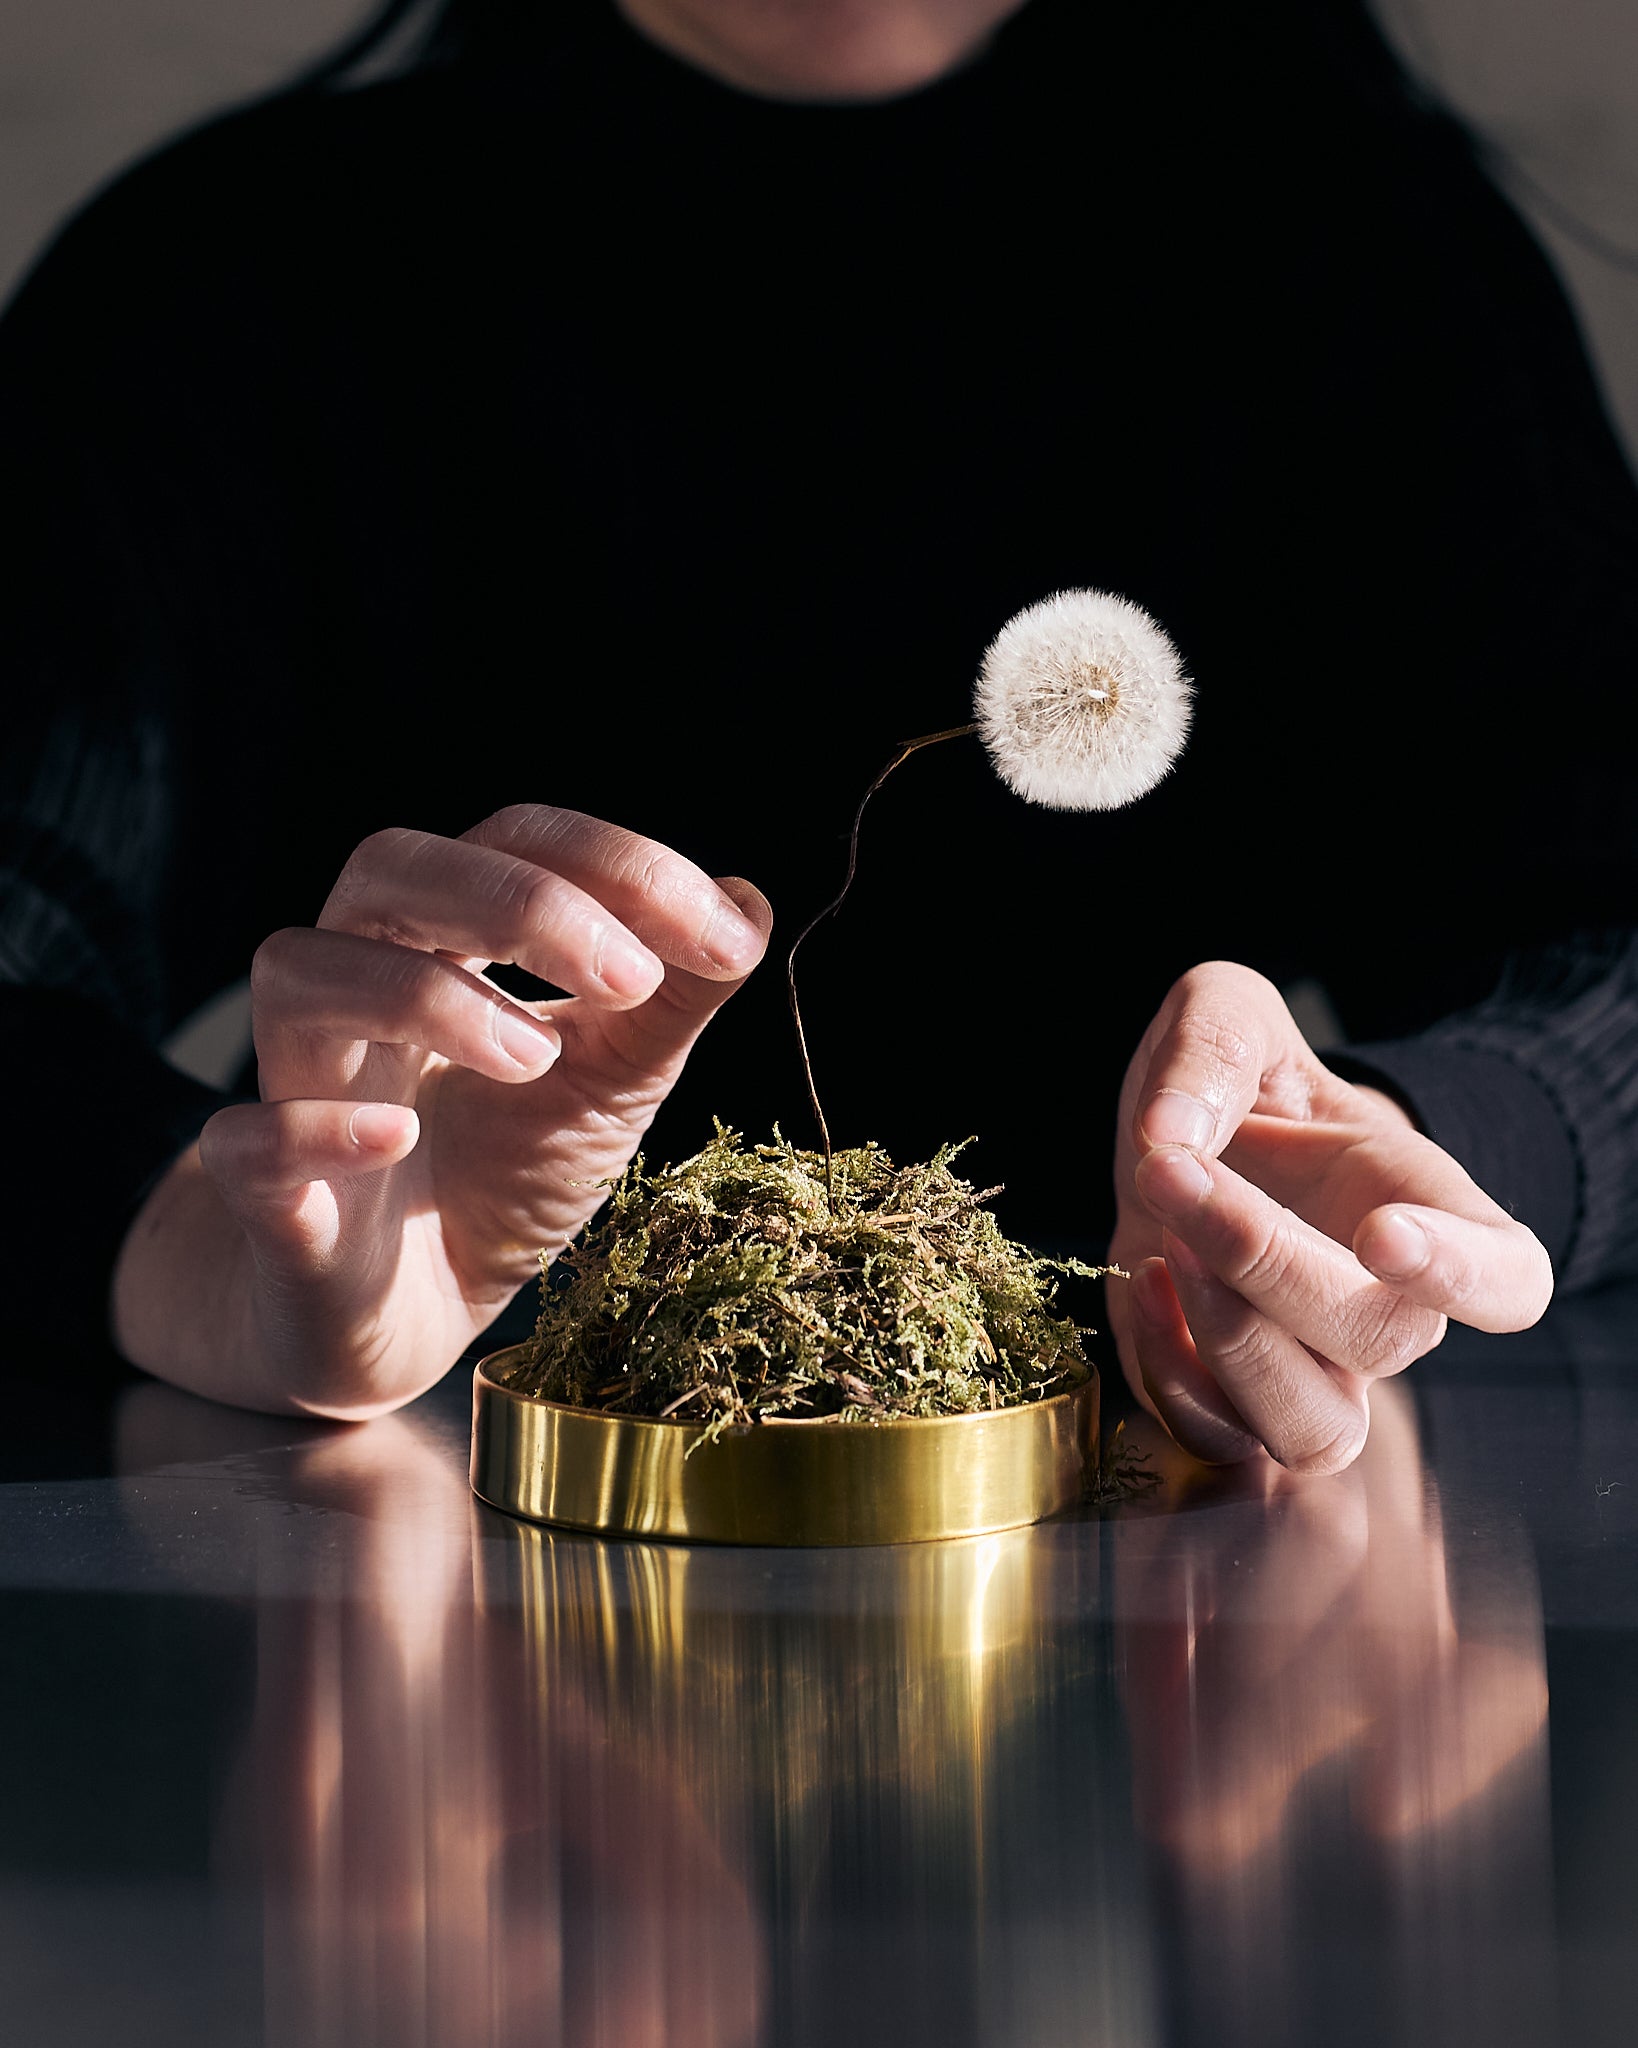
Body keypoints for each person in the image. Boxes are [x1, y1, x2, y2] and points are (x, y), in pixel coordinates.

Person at [3, 0, 1636, 1464]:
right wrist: (206, 1246)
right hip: (416, 1550)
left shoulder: (1367, 267)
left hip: (1179, 1568)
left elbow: (1599, 939)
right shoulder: (237, 281)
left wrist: (1380, 1169)